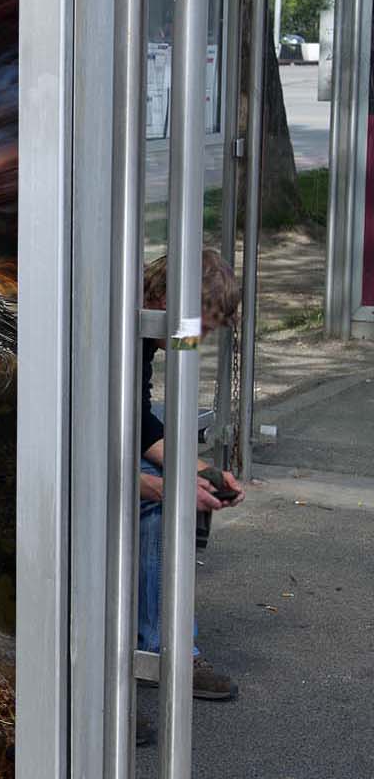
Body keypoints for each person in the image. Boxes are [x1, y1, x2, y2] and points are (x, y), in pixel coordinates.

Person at [138, 248, 244, 702]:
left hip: (91, 444)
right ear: (166, 301)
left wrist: (201, 471)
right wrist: (163, 487)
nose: (195, 341)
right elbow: (82, 439)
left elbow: (137, 421)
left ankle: (153, 632)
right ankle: (164, 649)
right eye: (198, 327)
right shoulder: (115, 329)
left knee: (181, 490)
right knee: (161, 505)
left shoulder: (147, 333)